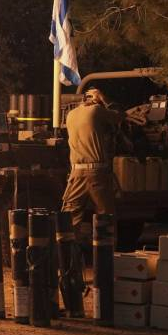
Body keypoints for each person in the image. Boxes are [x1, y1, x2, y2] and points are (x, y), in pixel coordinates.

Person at [61, 88, 126, 231]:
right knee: (105, 216)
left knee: (70, 216)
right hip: (96, 173)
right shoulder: (96, 110)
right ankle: (104, 244)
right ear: (96, 100)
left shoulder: (70, 114)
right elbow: (120, 116)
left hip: (76, 173)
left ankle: (67, 244)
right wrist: (104, 98)